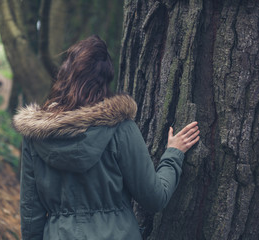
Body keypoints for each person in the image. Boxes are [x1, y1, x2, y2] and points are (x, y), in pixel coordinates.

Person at [13, 35, 200, 240]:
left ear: (64, 75)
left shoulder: (36, 137)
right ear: (105, 80)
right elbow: (154, 198)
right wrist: (173, 155)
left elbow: (31, 221)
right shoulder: (121, 129)